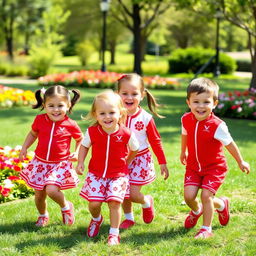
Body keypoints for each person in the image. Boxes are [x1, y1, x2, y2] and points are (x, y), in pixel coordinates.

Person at [180, 77, 250, 239]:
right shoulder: (185, 119)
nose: (201, 106)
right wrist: (183, 151)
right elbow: (185, 134)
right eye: (196, 101)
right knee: (189, 197)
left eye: (206, 102)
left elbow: (230, 144)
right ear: (189, 102)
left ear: (215, 104)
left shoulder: (217, 125)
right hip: (193, 167)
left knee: (206, 196)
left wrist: (241, 161)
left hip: (214, 168)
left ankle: (206, 229)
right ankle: (211, 207)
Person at [76, 90, 139, 245]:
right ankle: (96, 219)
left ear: (120, 113)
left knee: (114, 203)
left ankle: (114, 233)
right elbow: (84, 146)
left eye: (111, 112)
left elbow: (135, 148)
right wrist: (80, 162)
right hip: (96, 174)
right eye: (102, 113)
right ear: (95, 115)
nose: (107, 117)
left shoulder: (126, 133)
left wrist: (127, 160)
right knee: (94, 204)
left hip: (118, 175)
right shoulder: (92, 132)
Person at [19, 85, 83, 227]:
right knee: (39, 195)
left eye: (60, 105)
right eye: (51, 105)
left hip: (59, 164)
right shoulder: (40, 120)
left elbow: (80, 139)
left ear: (68, 105)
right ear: (44, 105)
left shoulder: (70, 124)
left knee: (52, 190)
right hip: (40, 163)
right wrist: (24, 147)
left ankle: (66, 207)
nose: (55, 109)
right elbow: (33, 134)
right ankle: (43, 215)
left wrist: (77, 152)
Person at [116, 73, 169, 229]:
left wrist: (163, 162)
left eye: (134, 94)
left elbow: (155, 140)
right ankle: (129, 218)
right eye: (124, 93)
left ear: (142, 95)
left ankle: (146, 201)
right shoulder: (114, 115)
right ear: (118, 94)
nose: (129, 97)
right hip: (121, 159)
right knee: (122, 192)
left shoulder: (145, 118)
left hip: (140, 160)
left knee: (132, 194)